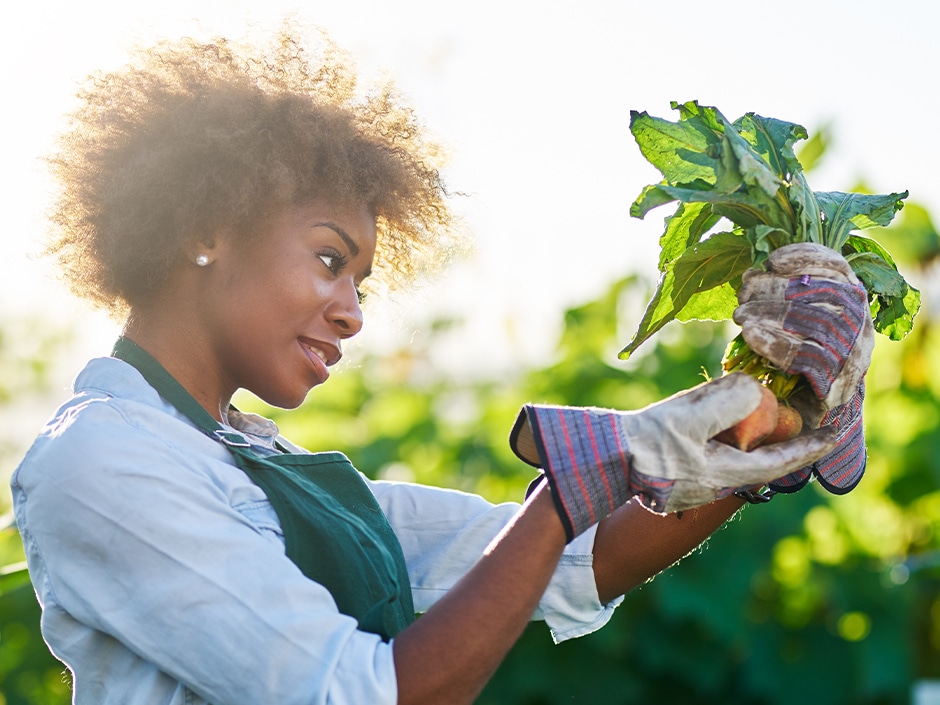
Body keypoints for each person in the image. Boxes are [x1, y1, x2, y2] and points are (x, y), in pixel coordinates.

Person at [10, 25, 871, 705]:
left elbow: (578, 557)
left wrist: (765, 426)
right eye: (326, 258)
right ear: (205, 227)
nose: (352, 308)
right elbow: (363, 694)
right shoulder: (105, 461)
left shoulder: (261, 466)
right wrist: (572, 486)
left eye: (361, 278)